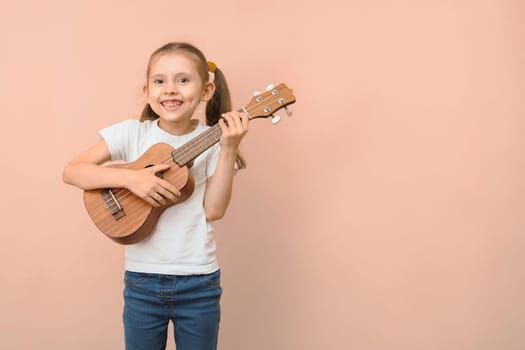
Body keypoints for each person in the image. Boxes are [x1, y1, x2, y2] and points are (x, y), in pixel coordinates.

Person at [63, 42, 249, 350]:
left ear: (206, 90)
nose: (170, 90)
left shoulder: (215, 142)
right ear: (147, 91)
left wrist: (228, 148)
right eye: (159, 81)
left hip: (199, 280)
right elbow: (72, 171)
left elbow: (214, 210)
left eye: (183, 80)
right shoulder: (132, 134)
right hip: (141, 281)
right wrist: (131, 179)